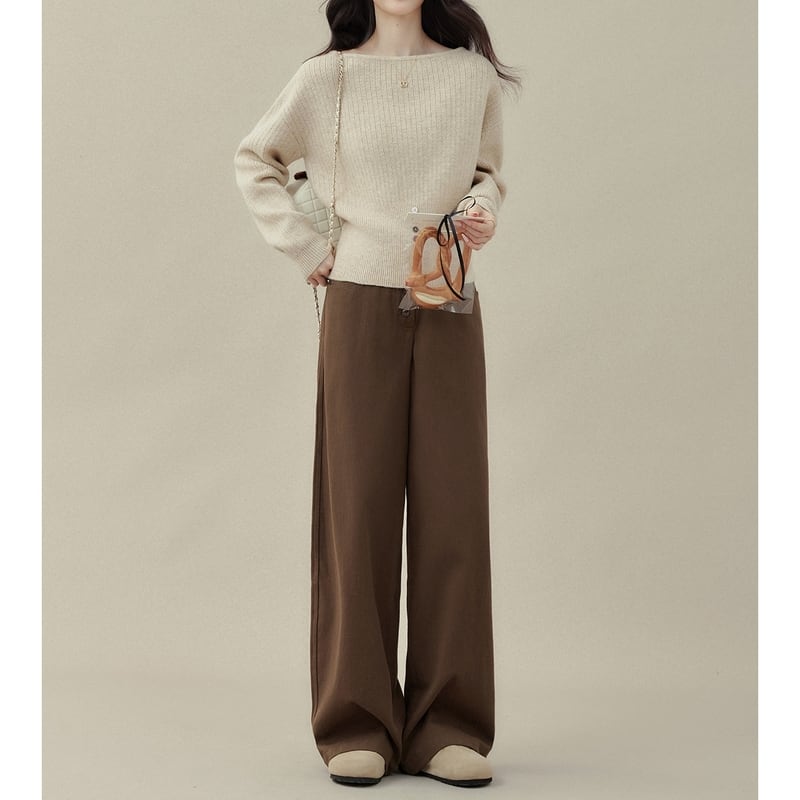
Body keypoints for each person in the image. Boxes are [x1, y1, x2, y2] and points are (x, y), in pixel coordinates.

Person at [234, 0, 519, 788]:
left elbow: (488, 174)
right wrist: (305, 245)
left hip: (446, 292)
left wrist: (482, 209)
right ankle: (355, 722)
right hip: (358, 301)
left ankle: (448, 726)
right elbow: (257, 158)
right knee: (355, 508)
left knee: (454, 508)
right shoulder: (326, 79)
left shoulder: (469, 79)